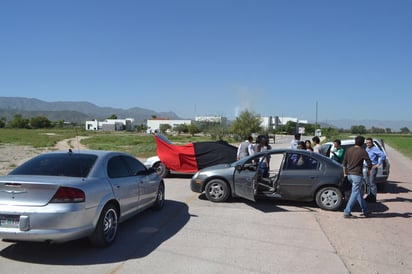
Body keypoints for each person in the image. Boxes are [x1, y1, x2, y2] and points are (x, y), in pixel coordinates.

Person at [343, 135, 372, 218]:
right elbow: (369, 164)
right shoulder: (362, 151)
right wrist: (369, 171)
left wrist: (345, 173)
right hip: (357, 175)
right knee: (355, 193)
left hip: (349, 174)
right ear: (363, 143)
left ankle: (365, 210)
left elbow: (344, 164)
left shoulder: (348, 150)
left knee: (358, 193)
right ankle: (347, 212)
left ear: (355, 141)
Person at [363, 137, 386, 202]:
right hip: (367, 167)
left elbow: (383, 155)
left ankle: (373, 198)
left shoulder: (375, 149)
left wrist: (378, 164)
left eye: (369, 143)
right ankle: (369, 196)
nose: (368, 144)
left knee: (372, 182)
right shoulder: (367, 148)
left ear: (372, 143)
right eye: (367, 143)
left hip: (372, 167)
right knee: (367, 182)